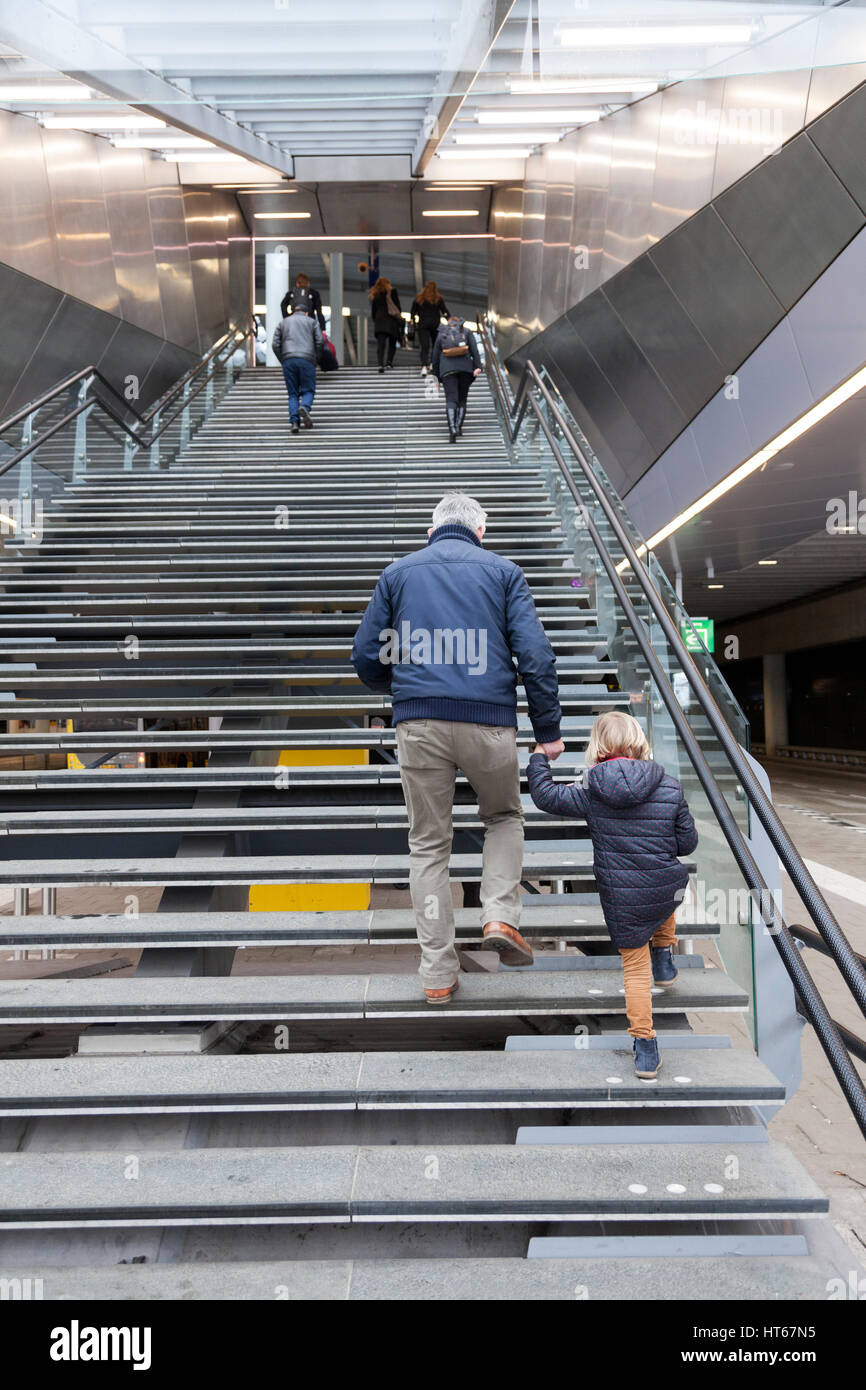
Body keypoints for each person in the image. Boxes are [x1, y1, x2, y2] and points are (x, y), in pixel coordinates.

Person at [351, 492, 563, 1005]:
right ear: (480, 533)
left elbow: (364, 656)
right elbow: (535, 654)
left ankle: (437, 974)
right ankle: (498, 916)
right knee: (504, 818)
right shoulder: (505, 572)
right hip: (489, 723)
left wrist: (402, 686)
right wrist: (548, 729)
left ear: (431, 531)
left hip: (419, 724)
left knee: (428, 844)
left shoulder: (397, 573)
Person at [527, 710, 698, 1079]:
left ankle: (646, 1047)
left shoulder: (591, 789)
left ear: (599, 746)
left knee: (635, 973)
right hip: (664, 887)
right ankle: (665, 956)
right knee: (666, 891)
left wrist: (540, 755)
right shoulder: (669, 785)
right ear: (637, 741)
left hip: (623, 898)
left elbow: (544, 796)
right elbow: (687, 843)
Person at [271, 302, 323, 435]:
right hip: (307, 360)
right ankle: (304, 407)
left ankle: (294, 422)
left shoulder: (283, 323)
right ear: (306, 313)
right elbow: (319, 341)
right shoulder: (312, 322)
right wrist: (316, 359)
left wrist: (283, 359)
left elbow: (275, 344)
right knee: (308, 390)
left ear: (293, 312)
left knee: (292, 393)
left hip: (288, 360)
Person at [432, 315, 481, 443]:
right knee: (462, 398)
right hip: (465, 369)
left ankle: (452, 429)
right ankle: (459, 427)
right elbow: (475, 350)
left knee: (451, 399)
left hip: (447, 370)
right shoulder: (467, 332)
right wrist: (478, 367)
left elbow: (435, 358)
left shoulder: (442, 334)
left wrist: (436, 377)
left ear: (448, 323)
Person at [412, 281, 449, 376]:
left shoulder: (419, 298)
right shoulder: (438, 298)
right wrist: (451, 320)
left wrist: (414, 322)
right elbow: (444, 311)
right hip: (435, 325)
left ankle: (424, 366)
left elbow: (412, 312)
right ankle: (432, 364)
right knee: (435, 346)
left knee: (424, 346)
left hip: (423, 325)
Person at [369, 277, 403, 372]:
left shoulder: (375, 294)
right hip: (391, 320)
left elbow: (373, 311)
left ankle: (380, 363)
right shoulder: (392, 292)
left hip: (380, 320)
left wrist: (375, 320)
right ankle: (389, 362)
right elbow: (398, 307)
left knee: (381, 344)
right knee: (392, 343)